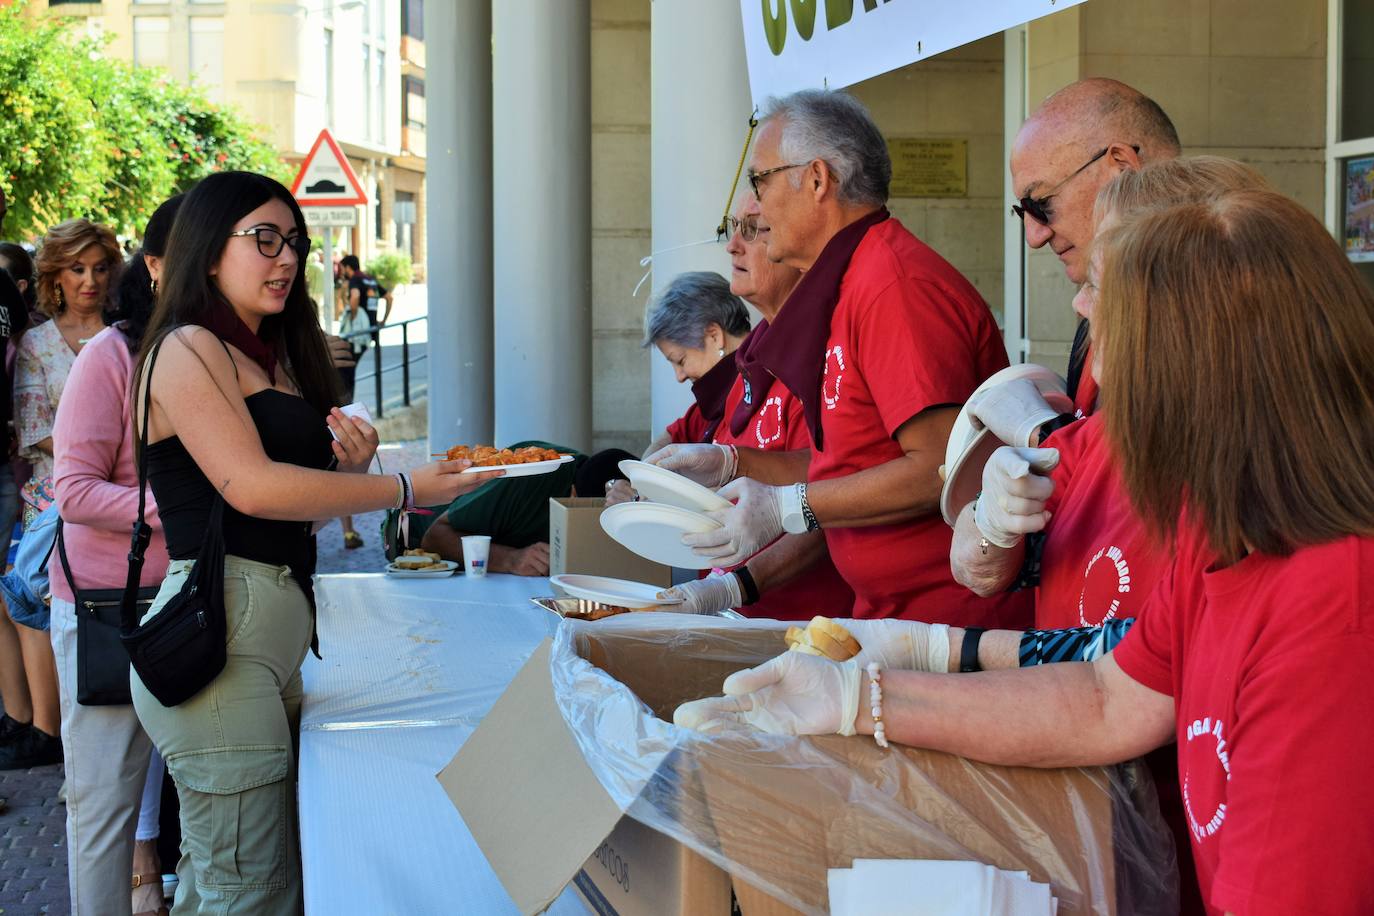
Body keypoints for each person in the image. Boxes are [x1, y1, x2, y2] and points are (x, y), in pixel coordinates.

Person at [676, 189, 1374, 914]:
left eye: (1102, 306)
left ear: (1187, 379)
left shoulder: (1334, 618)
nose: (1078, 313)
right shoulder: (1224, 531)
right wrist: (863, 698)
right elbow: (1108, 698)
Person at [128, 170, 499, 913]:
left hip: (258, 634)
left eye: (293, 242)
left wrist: (352, 471)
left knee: (232, 884)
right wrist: (400, 488)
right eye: (264, 239)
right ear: (207, 251)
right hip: (219, 638)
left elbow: (279, 517)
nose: (287, 258)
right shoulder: (186, 348)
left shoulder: (258, 355)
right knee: (249, 891)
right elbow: (253, 487)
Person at [652, 89, 1023, 628]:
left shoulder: (893, 285)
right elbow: (851, 465)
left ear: (818, 180)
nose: (753, 207)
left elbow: (940, 468)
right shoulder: (851, 283)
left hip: (945, 622)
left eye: (760, 180)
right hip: (889, 616)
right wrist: (735, 463)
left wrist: (787, 507)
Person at [50, 194, 182, 916]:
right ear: (160, 267)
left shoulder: (205, 351)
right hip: (109, 610)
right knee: (104, 809)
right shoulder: (111, 355)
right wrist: (175, 514)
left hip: (191, 603)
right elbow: (73, 491)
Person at [646, 203, 855, 620]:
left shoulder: (820, 359)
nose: (732, 247)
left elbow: (832, 490)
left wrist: (737, 586)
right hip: (745, 610)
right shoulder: (750, 363)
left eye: (754, 230)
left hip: (803, 620)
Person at [0, 219, 122, 772]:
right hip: (54, 501)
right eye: (77, 268)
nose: (89, 280)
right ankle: (64, 743)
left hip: (123, 497)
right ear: (55, 277)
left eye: (99, 267)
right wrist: (99, 450)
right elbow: (31, 424)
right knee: (53, 623)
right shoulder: (38, 343)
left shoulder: (129, 333)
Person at [1006, 77, 1180, 418]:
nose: (1034, 238)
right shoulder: (1109, 302)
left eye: (1041, 203)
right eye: (1022, 212)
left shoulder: (1218, 296)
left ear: (1123, 169)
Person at [420, 446, 634, 576]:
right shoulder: (523, 478)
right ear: (572, 495)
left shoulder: (593, 475)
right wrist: (511, 559)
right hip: (418, 544)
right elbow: (435, 537)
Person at [637, 271, 751, 456]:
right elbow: (674, 435)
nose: (679, 376)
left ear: (714, 335)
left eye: (680, 360)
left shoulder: (761, 384)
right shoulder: (715, 397)